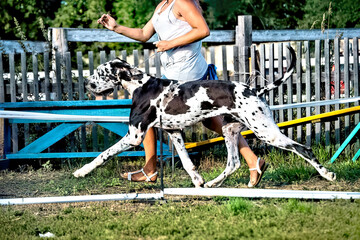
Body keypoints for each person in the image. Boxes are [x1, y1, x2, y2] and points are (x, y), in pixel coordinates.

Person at [97, 0, 268, 187]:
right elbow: (144, 34)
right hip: (172, 74)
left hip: (187, 73)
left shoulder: (182, 2)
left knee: (147, 114)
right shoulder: (162, 5)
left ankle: (150, 169)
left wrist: (170, 43)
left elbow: (202, 30)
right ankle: (253, 161)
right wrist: (116, 27)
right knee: (208, 119)